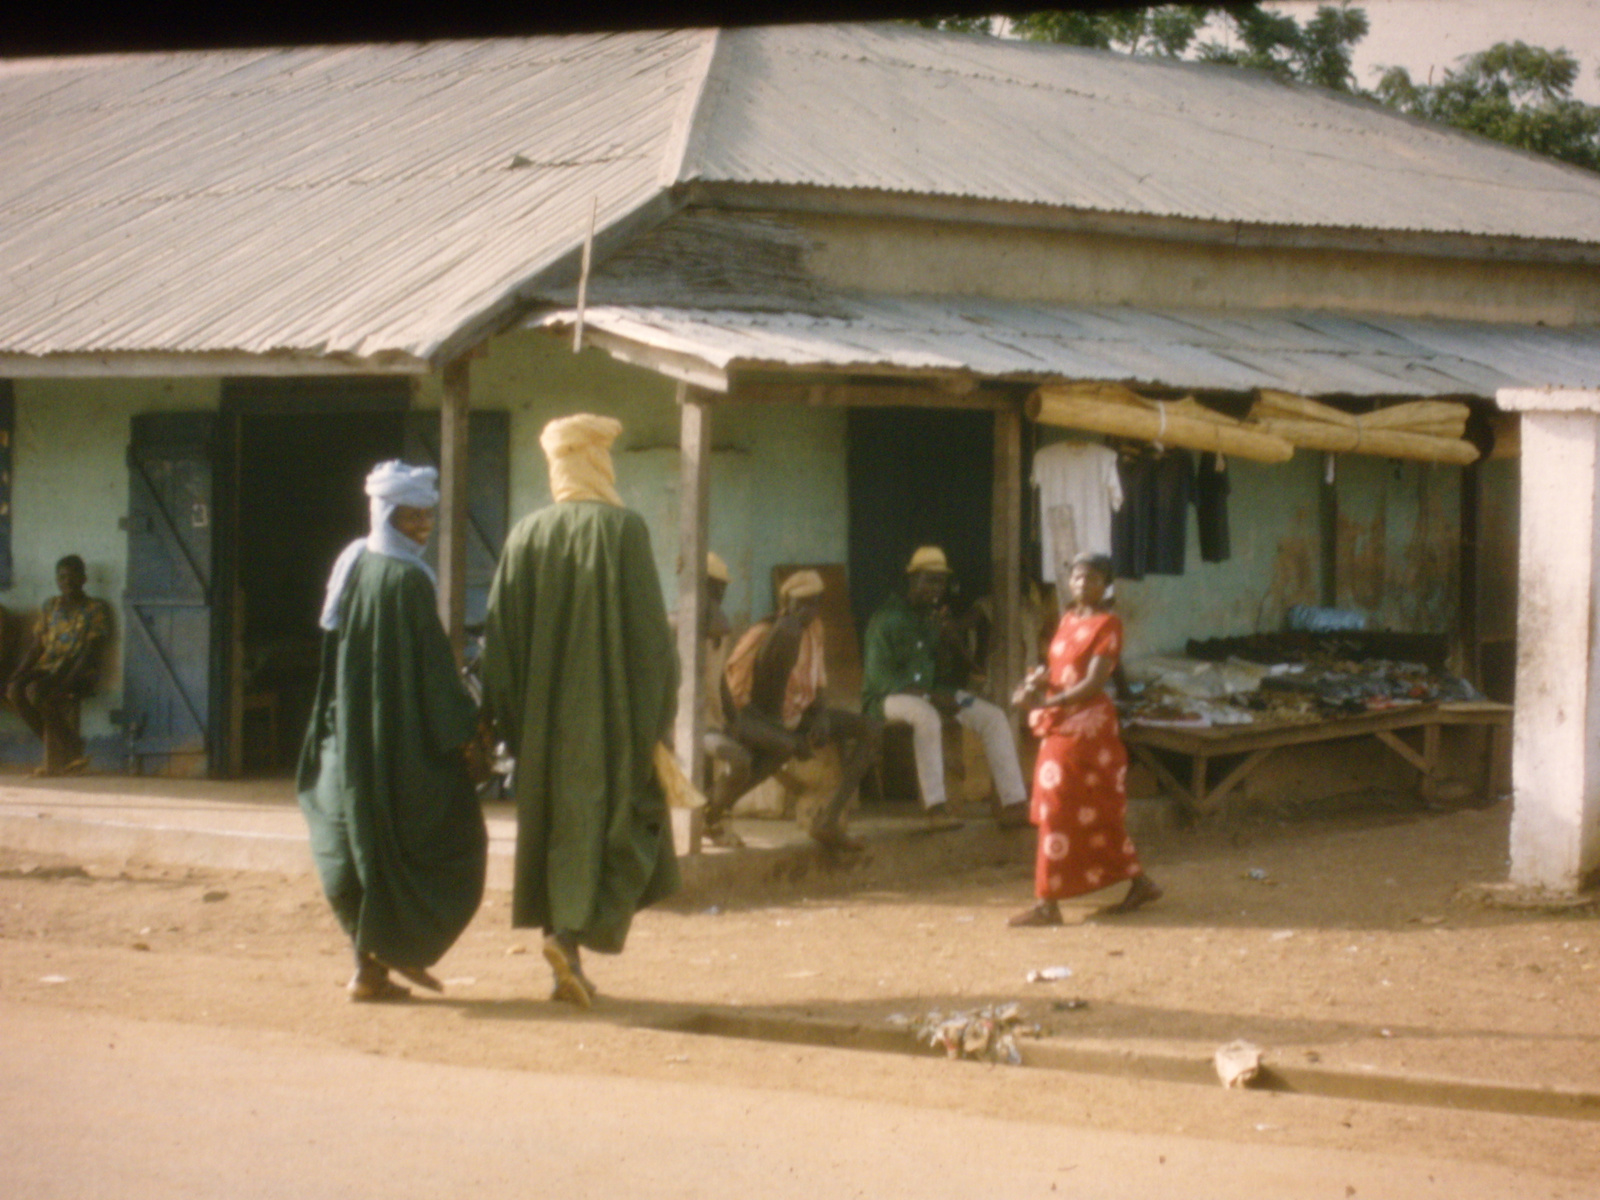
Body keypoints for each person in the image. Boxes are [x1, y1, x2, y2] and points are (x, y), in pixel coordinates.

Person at [482, 413, 678, 1009]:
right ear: (599, 460)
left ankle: (563, 948)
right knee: (616, 824)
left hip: (542, 725)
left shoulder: (524, 536)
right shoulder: (624, 531)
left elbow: (499, 643)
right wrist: (658, 720)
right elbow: (651, 643)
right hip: (614, 720)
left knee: (555, 831)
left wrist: (511, 723)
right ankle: (568, 944)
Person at [297, 461, 490, 1002]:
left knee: (358, 846)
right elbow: (434, 675)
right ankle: (388, 957)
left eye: (428, 517)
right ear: (387, 514)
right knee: (446, 842)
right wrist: (466, 731)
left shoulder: (351, 561)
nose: (423, 528)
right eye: (412, 517)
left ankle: (369, 969)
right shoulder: (407, 580)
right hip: (397, 742)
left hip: (349, 733)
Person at [1008, 551, 1161, 926]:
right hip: (1060, 721)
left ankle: (1048, 903)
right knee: (1082, 809)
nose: (1082, 584)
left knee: (1059, 807)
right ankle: (1138, 880)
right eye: (1077, 577)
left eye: (1092, 578)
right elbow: (1059, 669)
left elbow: (1093, 683)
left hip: (1086, 728)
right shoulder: (1067, 620)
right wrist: (1035, 682)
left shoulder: (1108, 624)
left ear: (1105, 584)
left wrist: (1046, 700)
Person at [860, 546, 1029, 825]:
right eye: (930, 580)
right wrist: (932, 696)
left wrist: (948, 639)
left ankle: (1014, 804)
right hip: (888, 700)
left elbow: (942, 671)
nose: (937, 588)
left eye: (941, 582)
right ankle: (935, 808)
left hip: (932, 693)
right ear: (912, 580)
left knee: (992, 715)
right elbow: (882, 681)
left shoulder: (931, 618)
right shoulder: (886, 619)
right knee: (926, 716)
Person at [716, 569, 881, 851]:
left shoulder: (815, 629)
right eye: (801, 604)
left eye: (815, 603)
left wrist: (821, 714)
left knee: (872, 728)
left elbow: (818, 682)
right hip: (760, 719)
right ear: (786, 605)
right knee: (780, 750)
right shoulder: (767, 633)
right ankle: (716, 807)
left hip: (799, 716)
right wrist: (782, 736)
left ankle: (828, 819)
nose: (809, 611)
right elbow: (736, 699)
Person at [7, 555, 112, 776]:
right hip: (48, 668)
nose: (67, 582)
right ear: (57, 580)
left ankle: (69, 750)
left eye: (73, 577)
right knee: (14, 691)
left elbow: (90, 652)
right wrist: (17, 675)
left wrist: (65, 684)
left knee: (37, 693)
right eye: (62, 577)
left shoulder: (95, 609)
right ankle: (69, 747)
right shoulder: (51, 606)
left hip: (77, 669)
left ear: (83, 579)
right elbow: (37, 647)